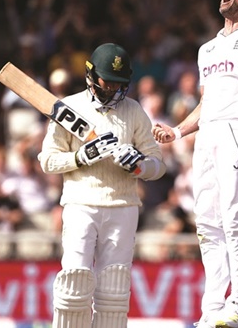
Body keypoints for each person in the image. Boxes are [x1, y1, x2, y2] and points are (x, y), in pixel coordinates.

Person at [152, 0, 238, 327]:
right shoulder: (207, 48)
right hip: (207, 133)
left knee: (233, 217)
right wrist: (176, 131)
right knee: (206, 222)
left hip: (237, 129)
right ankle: (212, 309)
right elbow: (205, 103)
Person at [37, 42, 166, 328]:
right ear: (91, 76)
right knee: (75, 281)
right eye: (108, 81)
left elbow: (159, 165)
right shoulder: (69, 108)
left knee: (114, 289)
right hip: (81, 203)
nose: (113, 89)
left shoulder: (133, 110)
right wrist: (82, 156)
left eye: (120, 83)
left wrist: (139, 165)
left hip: (123, 206)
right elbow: (47, 161)